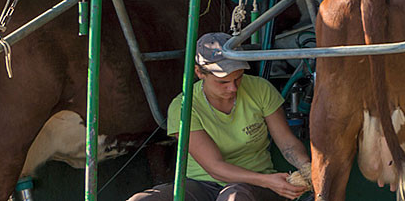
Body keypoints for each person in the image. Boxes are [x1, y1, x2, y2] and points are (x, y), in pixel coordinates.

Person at [128, 33, 310, 201]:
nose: (233, 88)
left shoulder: (260, 89)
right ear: (199, 73)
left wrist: (307, 168)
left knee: (234, 197)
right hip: (203, 184)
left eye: (238, 78)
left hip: (251, 186)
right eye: (222, 82)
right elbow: (215, 167)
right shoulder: (183, 107)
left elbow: (287, 143)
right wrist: (267, 181)